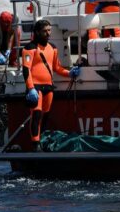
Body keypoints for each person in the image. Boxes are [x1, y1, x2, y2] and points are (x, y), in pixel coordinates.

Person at [22, 19, 80, 150]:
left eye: (49, 31)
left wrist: (70, 73)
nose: (48, 34)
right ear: (37, 32)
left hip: (48, 87)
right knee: (36, 114)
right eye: (44, 31)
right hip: (35, 87)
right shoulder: (29, 48)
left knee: (45, 115)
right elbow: (26, 69)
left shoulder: (52, 48)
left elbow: (57, 68)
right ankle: (35, 144)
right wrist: (30, 88)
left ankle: (41, 139)